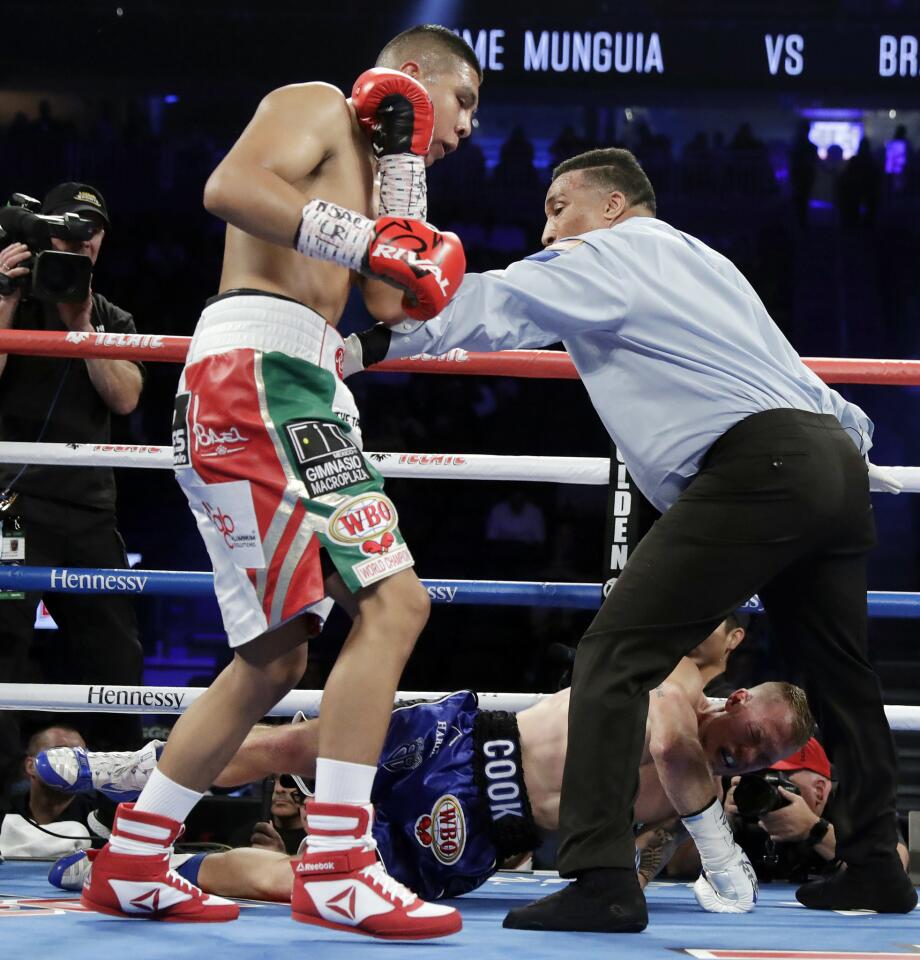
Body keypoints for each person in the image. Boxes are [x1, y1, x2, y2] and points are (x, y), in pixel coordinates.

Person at [344, 146, 916, 927]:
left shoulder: (606, 253)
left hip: (762, 468)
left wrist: (366, 346)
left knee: (614, 656)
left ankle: (601, 878)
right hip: (833, 466)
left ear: (611, 206)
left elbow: (489, 306)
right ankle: (877, 866)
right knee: (844, 678)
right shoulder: (703, 260)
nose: (549, 232)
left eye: (558, 207)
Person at [79, 26, 478, 939]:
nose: (466, 130)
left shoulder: (380, 168)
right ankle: (338, 863)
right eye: (464, 106)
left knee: (275, 655)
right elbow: (229, 188)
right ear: (417, 77)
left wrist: (405, 191)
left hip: (286, 385)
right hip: (263, 375)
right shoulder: (317, 106)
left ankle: (135, 857)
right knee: (395, 606)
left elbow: (388, 300)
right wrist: (367, 231)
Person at [42, 656, 812, 908]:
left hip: (480, 837)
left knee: (311, 881)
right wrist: (719, 841)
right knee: (301, 745)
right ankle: (137, 773)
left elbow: (632, 855)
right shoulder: (677, 680)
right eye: (751, 738)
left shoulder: (703, 789)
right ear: (739, 698)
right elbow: (672, 743)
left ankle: (147, 867)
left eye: (759, 758)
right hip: (469, 742)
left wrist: (675, 852)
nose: (744, 757)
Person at [0, 182, 144, 780]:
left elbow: (127, 395)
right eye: (67, 233)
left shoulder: (109, 314)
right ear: (42, 234)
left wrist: (82, 324)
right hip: (11, 513)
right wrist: (4, 297)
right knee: (3, 646)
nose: (79, 245)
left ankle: (119, 800)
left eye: (92, 234)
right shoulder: (8, 295)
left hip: (87, 514)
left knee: (114, 654)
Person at [0, 725, 108, 859]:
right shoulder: (6, 811)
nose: (74, 763)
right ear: (31, 766)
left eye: (81, 754)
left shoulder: (101, 820)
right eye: (61, 753)